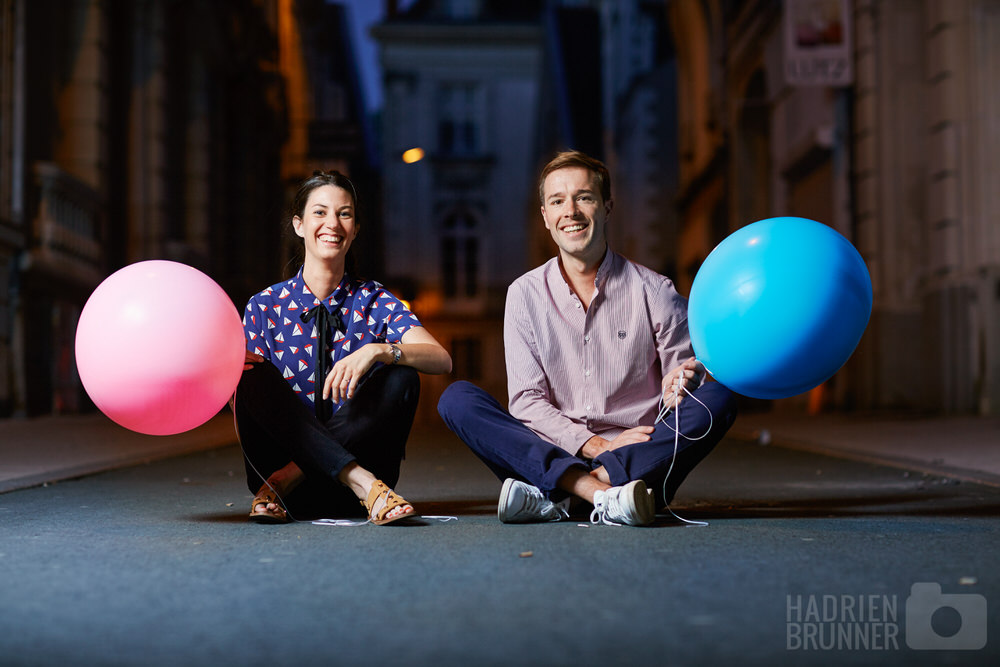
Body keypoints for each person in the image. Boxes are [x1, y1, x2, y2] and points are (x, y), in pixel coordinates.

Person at [437, 150, 737, 526]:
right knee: (458, 399)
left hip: (640, 458)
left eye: (584, 197)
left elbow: (681, 383)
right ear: (545, 216)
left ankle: (561, 497)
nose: (571, 211)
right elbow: (527, 402)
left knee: (718, 395)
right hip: (551, 455)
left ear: (607, 207)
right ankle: (597, 494)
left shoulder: (656, 290)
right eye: (558, 201)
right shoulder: (523, 294)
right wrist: (599, 446)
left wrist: (677, 384)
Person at [234, 170, 452, 525]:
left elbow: (441, 359)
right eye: (319, 212)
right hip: (295, 493)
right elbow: (245, 405)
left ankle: (299, 475)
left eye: (344, 213)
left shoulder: (374, 299)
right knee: (249, 374)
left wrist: (379, 350)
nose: (332, 223)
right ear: (299, 224)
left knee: (403, 377)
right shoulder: (265, 305)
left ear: (356, 228)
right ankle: (360, 482)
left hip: (329, 489)